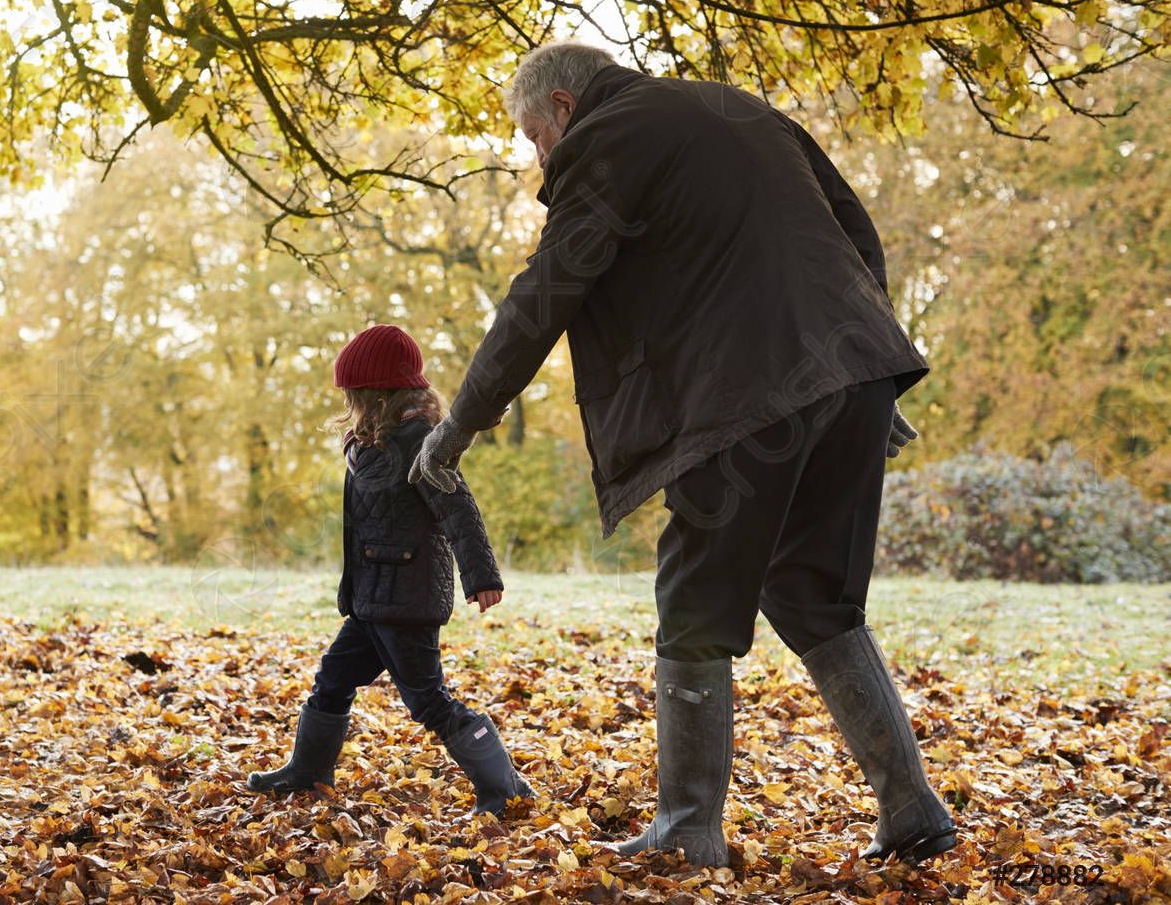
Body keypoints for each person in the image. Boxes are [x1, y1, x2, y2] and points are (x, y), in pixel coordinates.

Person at [409, 42, 956, 866]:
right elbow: (854, 234)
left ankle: (689, 827)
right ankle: (912, 808)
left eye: (532, 138)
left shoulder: (605, 139)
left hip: (742, 396)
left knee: (695, 605)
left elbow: (548, 293)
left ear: (562, 106)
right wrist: (860, 372)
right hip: (855, 370)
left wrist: (458, 426)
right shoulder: (740, 108)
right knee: (817, 595)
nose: (538, 160)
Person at [248, 323, 534, 817]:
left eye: (355, 393)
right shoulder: (373, 442)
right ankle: (309, 771)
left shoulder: (422, 441)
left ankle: (505, 789)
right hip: (372, 599)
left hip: (406, 598)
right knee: (333, 679)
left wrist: (481, 575)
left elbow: (457, 507)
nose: (350, 401)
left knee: (429, 702)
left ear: (377, 393)